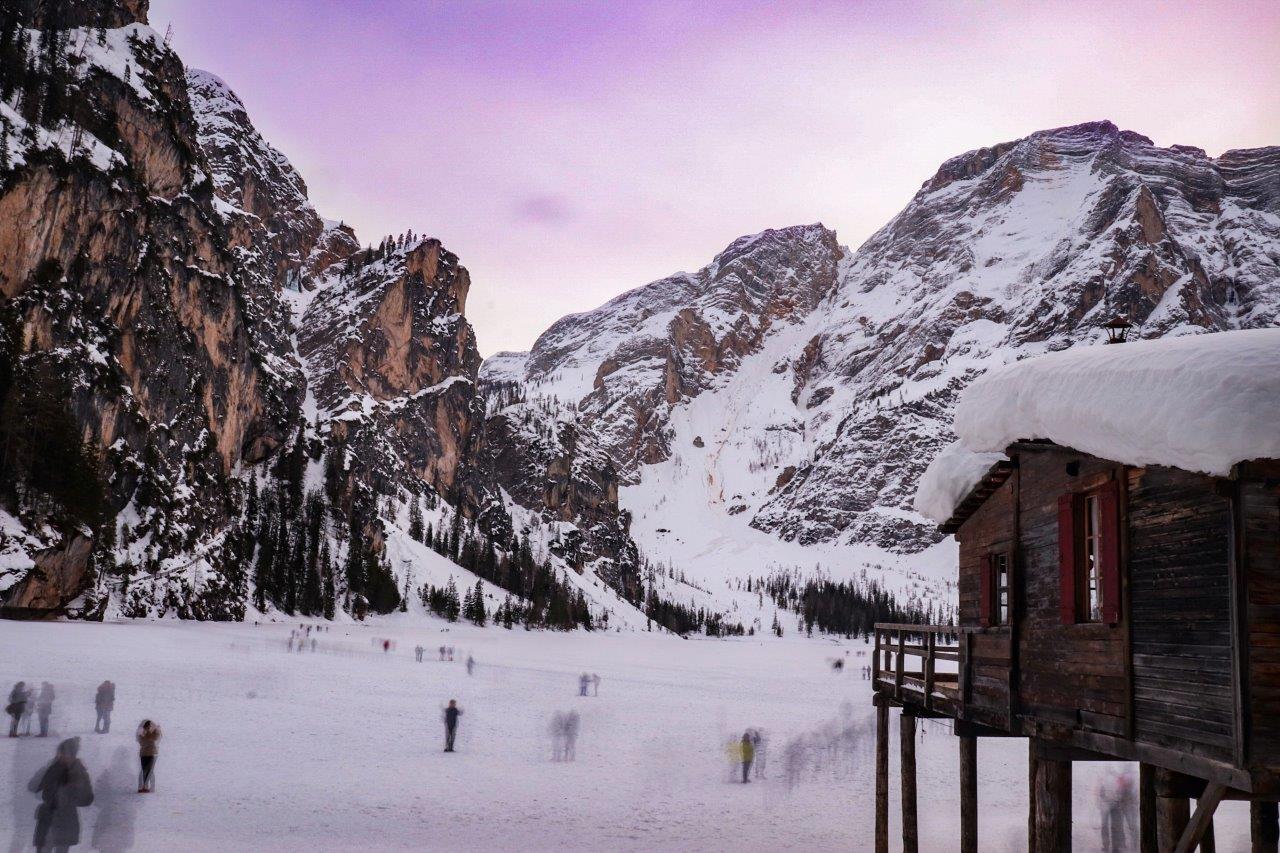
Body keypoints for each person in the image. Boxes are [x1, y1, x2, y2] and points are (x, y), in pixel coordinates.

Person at [29, 736, 94, 852]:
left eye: (63, 753)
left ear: (71, 755)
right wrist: (45, 770)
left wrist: (70, 798)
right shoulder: (52, 768)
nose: (60, 756)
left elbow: (88, 799)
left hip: (66, 820)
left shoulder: (79, 772)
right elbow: (33, 787)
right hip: (48, 819)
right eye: (59, 753)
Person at [136, 720, 162, 793]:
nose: (148, 728)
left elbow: (155, 739)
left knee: (150, 770)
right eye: (147, 727)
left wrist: (156, 731)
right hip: (145, 754)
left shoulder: (152, 733)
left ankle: (148, 787)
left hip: (151, 754)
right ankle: (143, 786)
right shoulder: (142, 734)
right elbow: (142, 742)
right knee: (144, 770)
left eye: (149, 726)